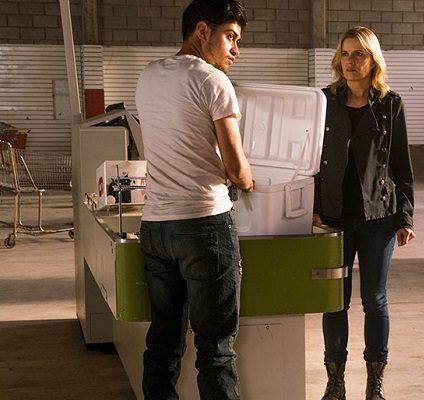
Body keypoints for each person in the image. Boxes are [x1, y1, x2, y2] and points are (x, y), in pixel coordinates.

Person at [134, 0, 254, 398]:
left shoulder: (148, 76)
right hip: (204, 226)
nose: (235, 50)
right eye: (231, 37)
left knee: (162, 345)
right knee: (215, 352)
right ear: (203, 31)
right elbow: (236, 169)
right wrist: (250, 180)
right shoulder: (212, 81)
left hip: (156, 227)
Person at [313, 26, 416, 400]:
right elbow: (310, 161)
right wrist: (313, 209)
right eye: (345, 53)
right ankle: (335, 382)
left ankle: (375, 382)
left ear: (373, 60)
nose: (350, 61)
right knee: (334, 302)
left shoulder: (390, 104)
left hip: (379, 219)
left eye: (359, 54)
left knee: (374, 300)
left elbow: (402, 166)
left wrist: (405, 217)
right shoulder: (324, 101)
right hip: (333, 219)